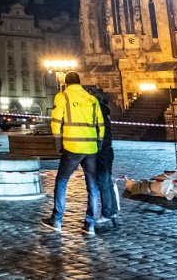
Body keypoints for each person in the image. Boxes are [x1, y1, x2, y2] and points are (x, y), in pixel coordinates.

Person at [41, 72, 104, 235]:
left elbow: (56, 122)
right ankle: (90, 225)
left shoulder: (62, 97)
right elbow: (101, 124)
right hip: (91, 148)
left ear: (66, 83)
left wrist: (57, 142)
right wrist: (99, 143)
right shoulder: (92, 99)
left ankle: (57, 220)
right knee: (92, 187)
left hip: (72, 147)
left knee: (62, 181)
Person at [93, 90, 120, 226]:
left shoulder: (99, 116)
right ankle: (113, 210)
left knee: (104, 184)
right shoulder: (105, 114)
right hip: (108, 151)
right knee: (108, 183)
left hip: (102, 152)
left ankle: (107, 212)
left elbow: (99, 135)